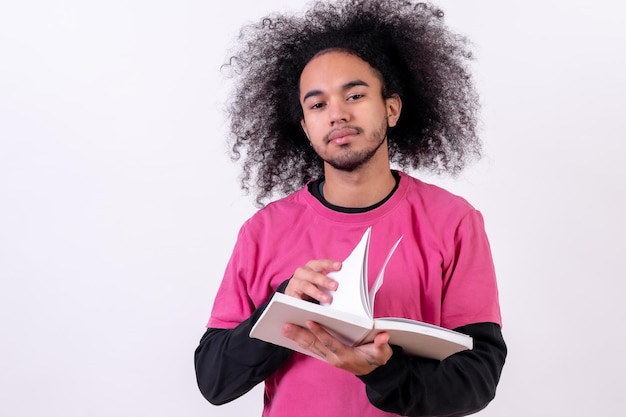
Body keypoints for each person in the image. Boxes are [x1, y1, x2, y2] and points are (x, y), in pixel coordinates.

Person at [194, 0, 507, 416]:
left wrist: (384, 371)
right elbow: (214, 381)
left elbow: (478, 381)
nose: (337, 114)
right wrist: (283, 306)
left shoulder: (454, 222)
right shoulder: (263, 231)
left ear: (390, 108)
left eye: (355, 95)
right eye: (318, 105)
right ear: (306, 128)